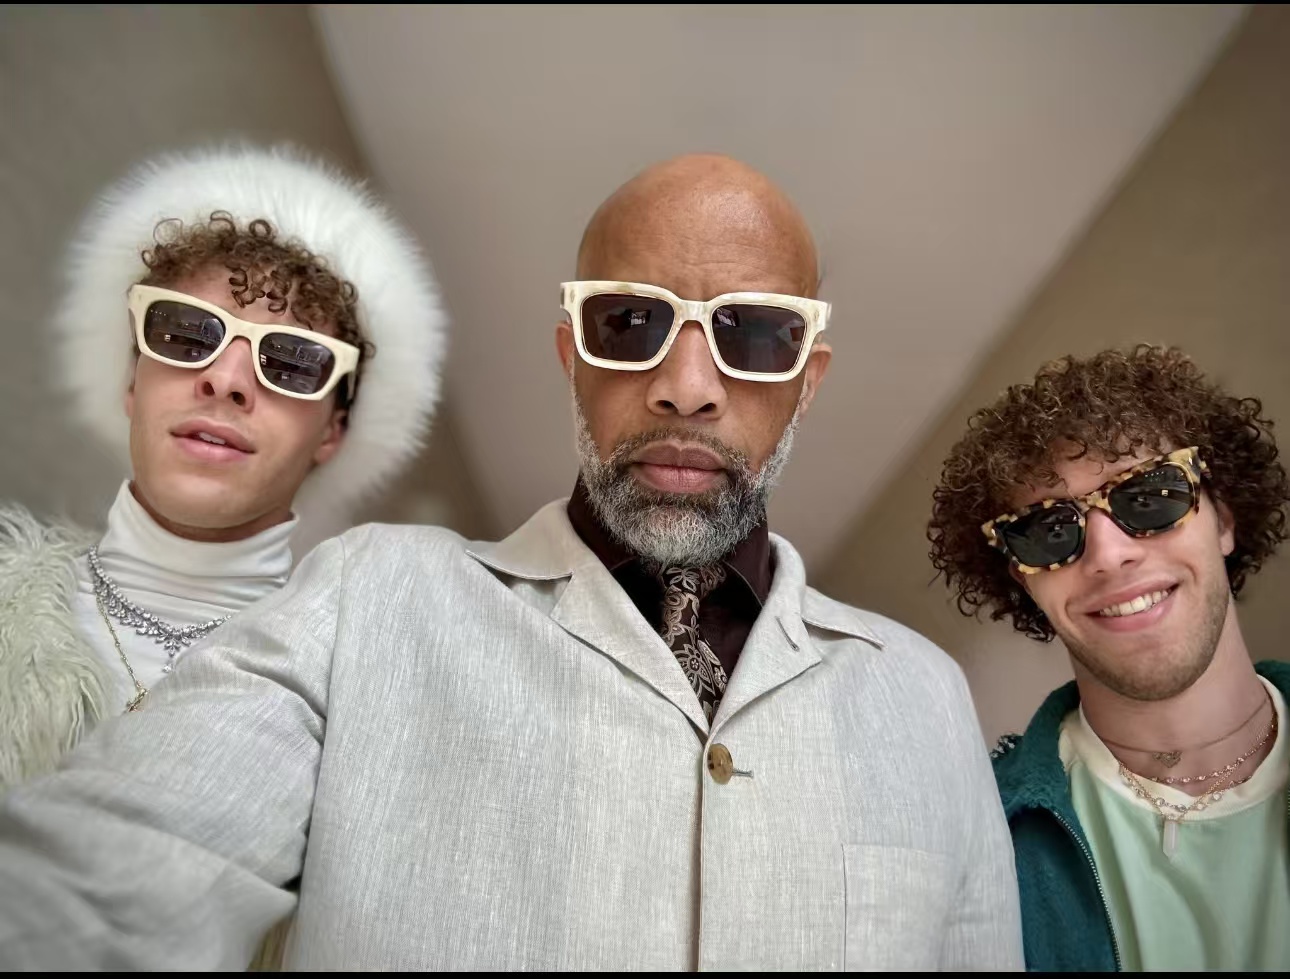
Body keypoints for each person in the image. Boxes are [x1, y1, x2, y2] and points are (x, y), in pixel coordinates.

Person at [0, 154, 1021, 971]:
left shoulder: (925, 698)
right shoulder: (368, 600)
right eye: (631, 323)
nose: (686, 385)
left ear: (807, 380)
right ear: (571, 352)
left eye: (753, 335)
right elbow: (114, 872)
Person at [0, 144, 446, 788]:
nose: (226, 379)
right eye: (186, 333)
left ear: (332, 432)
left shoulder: (365, 708)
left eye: (291, 361)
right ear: (133, 380)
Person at [928, 345, 1290, 971]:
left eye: (1147, 496)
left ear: (1224, 520)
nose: (1108, 555)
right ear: (1022, 579)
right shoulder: (972, 846)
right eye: (1049, 531)